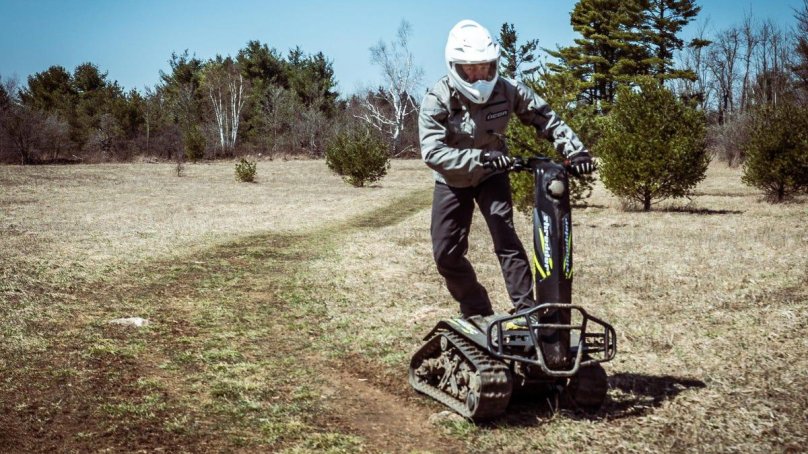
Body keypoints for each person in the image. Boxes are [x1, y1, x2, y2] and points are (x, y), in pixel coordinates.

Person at [419, 19, 595, 319]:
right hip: (453, 180)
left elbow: (545, 118)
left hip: (492, 175)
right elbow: (433, 152)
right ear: (455, 67)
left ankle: (527, 314)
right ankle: (476, 310)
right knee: (446, 255)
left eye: (485, 66)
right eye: (471, 68)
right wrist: (479, 158)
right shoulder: (438, 99)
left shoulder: (508, 89)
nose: (479, 74)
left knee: (506, 239)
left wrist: (575, 150)